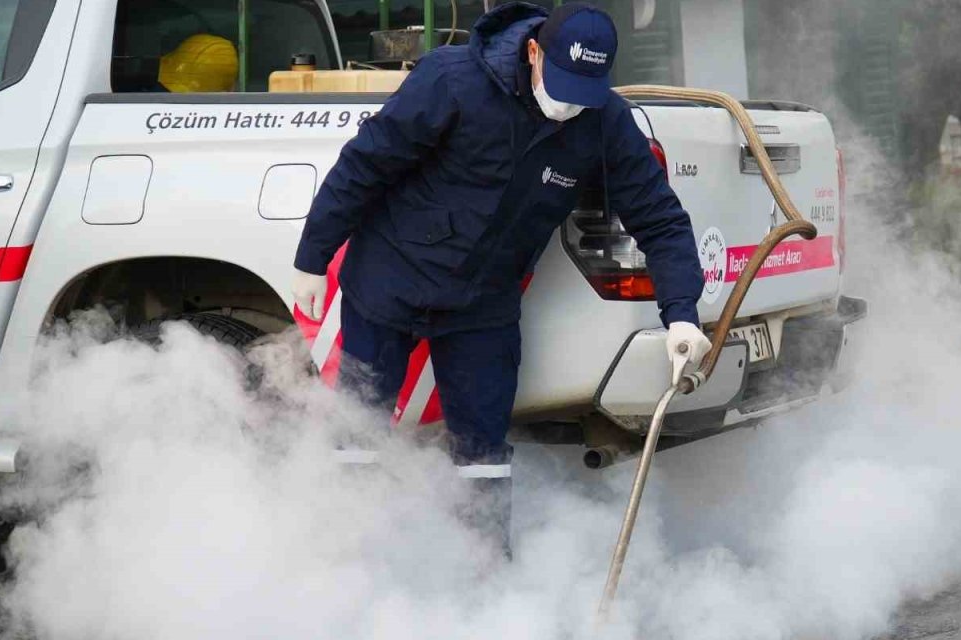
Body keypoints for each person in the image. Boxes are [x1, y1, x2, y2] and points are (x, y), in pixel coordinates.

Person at [290, 1, 710, 555]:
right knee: (358, 435)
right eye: (562, 85)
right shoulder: (451, 81)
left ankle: (484, 579)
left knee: (482, 453)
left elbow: (659, 217)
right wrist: (312, 257)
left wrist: (681, 312)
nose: (569, 106)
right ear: (534, 51)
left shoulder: (604, 120)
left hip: (484, 306)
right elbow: (365, 165)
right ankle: (343, 560)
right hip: (388, 283)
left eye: (584, 92)